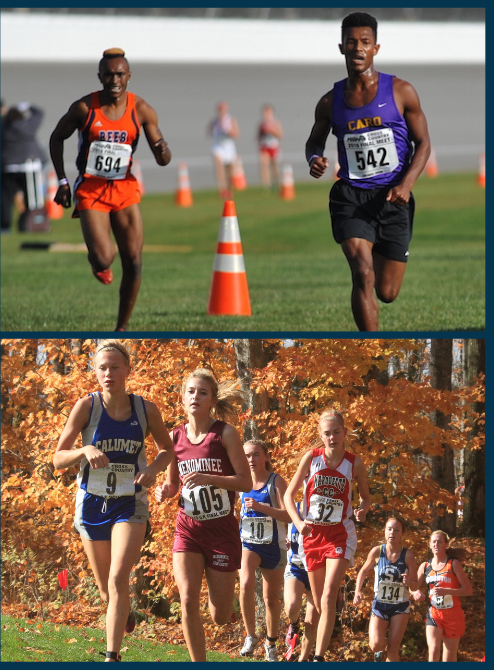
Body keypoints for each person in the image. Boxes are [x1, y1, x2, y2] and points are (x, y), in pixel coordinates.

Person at [304, 12, 431, 332]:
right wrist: (314, 159)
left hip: (393, 197)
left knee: (386, 292)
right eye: (351, 42)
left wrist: (407, 184)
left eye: (365, 42)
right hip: (351, 197)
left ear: (376, 48)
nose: (358, 48)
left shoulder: (402, 91)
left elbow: (424, 144)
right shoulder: (330, 101)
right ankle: (370, 346)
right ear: (341, 48)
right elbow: (313, 143)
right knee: (362, 273)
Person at [53, 340, 174, 662]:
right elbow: (57, 458)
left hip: (129, 502)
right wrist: (84, 450)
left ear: (127, 370)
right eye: (102, 368)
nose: (109, 373)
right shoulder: (85, 407)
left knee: (119, 577)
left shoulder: (145, 409)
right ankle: (123, 610)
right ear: (95, 372)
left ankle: (112, 656)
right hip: (91, 502)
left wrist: (152, 469)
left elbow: (168, 449)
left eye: (115, 367)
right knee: (107, 589)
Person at [48, 48, 172, 332]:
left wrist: (162, 150)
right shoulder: (84, 108)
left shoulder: (141, 109)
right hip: (91, 188)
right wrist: (63, 180)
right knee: (105, 257)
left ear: (128, 76)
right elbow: (57, 138)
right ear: (100, 77)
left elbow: (163, 160)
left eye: (120, 74)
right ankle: (97, 262)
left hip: (124, 188)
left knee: (134, 260)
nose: (114, 80)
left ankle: (122, 327)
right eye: (108, 74)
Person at [155, 368, 251, 662]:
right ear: (183, 399)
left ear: (212, 400)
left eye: (203, 392)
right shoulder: (174, 436)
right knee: (187, 600)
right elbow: (173, 483)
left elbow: (246, 482)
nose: (195, 396)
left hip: (221, 531)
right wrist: (164, 491)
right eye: (191, 391)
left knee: (220, 616)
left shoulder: (225, 434)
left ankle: (225, 603)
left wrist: (210, 478)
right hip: (188, 528)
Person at [283, 409, 370, 662]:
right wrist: (298, 523)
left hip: (340, 534)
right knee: (320, 603)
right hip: (312, 536)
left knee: (331, 593)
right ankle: (308, 648)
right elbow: (289, 496)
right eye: (327, 433)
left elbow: (365, 498)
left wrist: (363, 509)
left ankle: (319, 657)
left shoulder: (355, 463)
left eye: (336, 432)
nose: (332, 438)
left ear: (344, 433)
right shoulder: (311, 458)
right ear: (321, 436)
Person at [237, 439, 290, 661]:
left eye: (256, 454)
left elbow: (289, 515)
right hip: (249, 543)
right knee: (246, 584)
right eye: (247, 455)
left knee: (270, 599)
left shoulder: (276, 481)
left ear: (266, 457)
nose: (251, 459)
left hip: (273, 546)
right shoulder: (240, 481)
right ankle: (250, 635)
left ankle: (271, 643)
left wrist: (261, 507)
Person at [353, 516, 419, 662]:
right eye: (389, 529)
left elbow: (414, 585)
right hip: (380, 604)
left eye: (397, 530)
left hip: (400, 606)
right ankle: (378, 653)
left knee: (393, 649)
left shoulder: (408, 556)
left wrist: (409, 582)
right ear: (384, 531)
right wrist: (357, 591)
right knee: (376, 644)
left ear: (402, 533)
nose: (392, 533)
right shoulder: (377, 551)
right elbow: (363, 571)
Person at [413, 530, 473, 662]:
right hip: (434, 613)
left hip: (452, 614)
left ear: (446, 545)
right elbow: (413, 587)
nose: (436, 544)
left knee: (449, 659)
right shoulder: (425, 566)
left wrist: (448, 591)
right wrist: (415, 592)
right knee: (433, 651)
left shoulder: (453, 564)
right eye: (433, 542)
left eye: (440, 541)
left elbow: (468, 590)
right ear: (429, 545)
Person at [0, 100, 47, 233]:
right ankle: (32, 224)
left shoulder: (4, 128)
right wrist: (29, 106)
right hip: (29, 166)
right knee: (33, 199)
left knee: (5, 200)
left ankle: (4, 226)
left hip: (8, 167)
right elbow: (40, 113)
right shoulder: (28, 127)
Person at [208, 101, 239, 200]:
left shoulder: (231, 120)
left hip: (228, 146)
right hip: (218, 146)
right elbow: (209, 132)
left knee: (230, 169)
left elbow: (236, 134)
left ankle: (229, 189)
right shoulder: (214, 121)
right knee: (219, 167)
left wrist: (228, 130)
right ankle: (222, 189)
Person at [257, 104, 283, 190]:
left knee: (274, 165)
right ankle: (266, 185)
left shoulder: (276, 122)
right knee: (264, 165)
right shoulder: (262, 124)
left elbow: (280, 135)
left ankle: (276, 183)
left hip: (274, 146)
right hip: (265, 146)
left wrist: (271, 131)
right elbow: (258, 136)